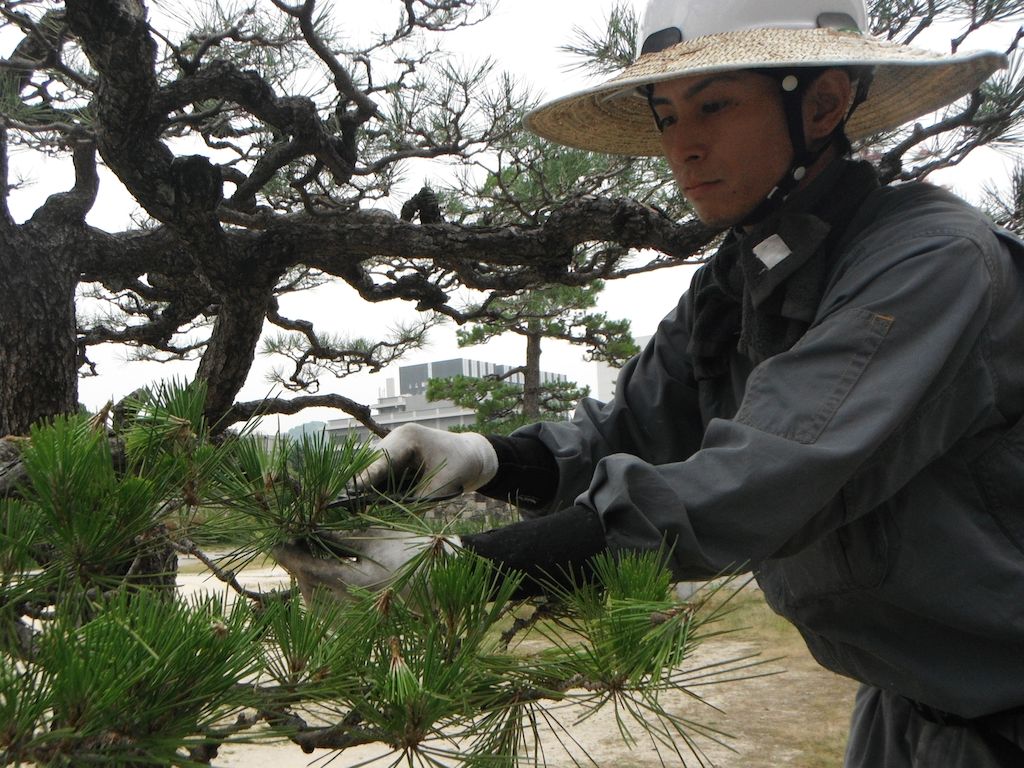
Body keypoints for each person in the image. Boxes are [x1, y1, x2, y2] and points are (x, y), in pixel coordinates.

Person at [273, 0, 1024, 765]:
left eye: (716, 105)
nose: (683, 147)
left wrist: (478, 572)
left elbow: (771, 473)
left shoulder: (931, 260)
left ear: (824, 103)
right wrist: (488, 456)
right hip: (902, 709)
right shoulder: (735, 283)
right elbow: (624, 429)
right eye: (666, 116)